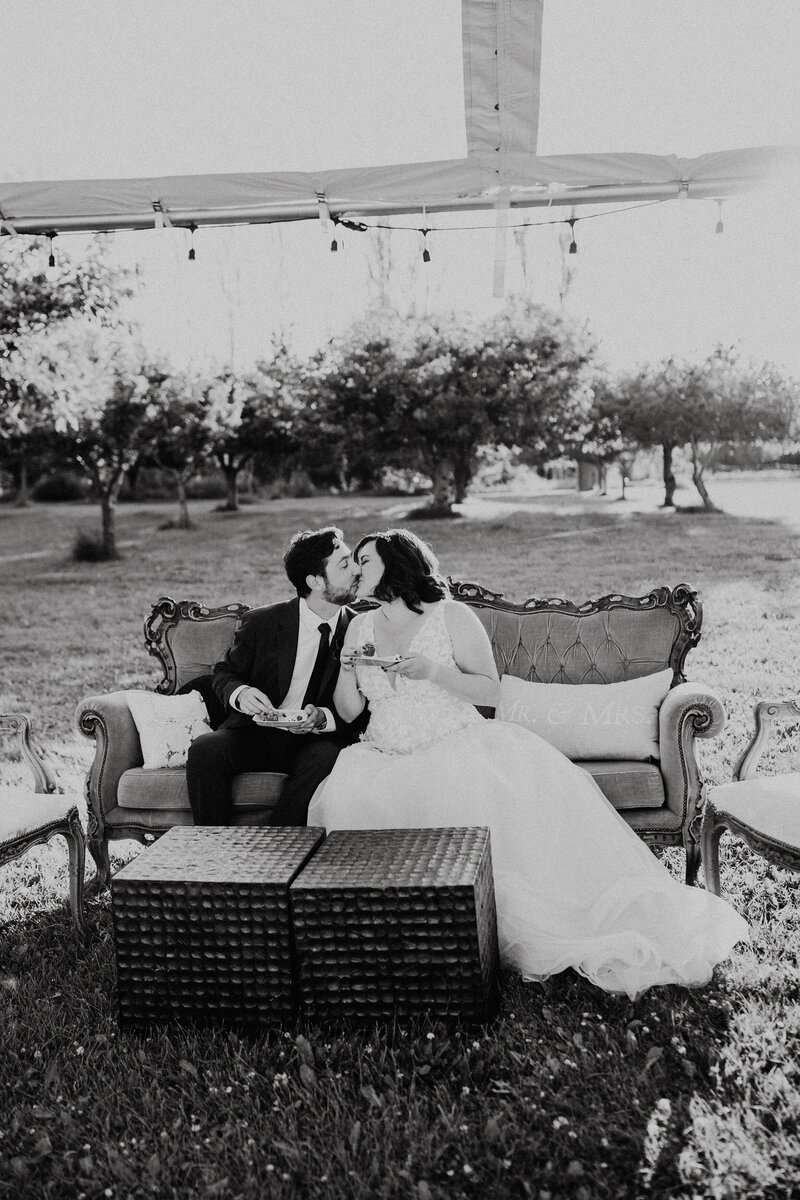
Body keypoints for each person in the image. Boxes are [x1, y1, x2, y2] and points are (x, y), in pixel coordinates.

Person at [308, 528, 749, 999]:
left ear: (396, 565)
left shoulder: (450, 616)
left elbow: (493, 691)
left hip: (453, 745)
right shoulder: (358, 626)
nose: (356, 569)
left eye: (366, 560)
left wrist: (432, 671)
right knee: (346, 797)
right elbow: (351, 712)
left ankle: (466, 933)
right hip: (382, 752)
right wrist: (350, 668)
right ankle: (398, 944)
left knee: (455, 798)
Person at [187, 525, 366, 827]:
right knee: (206, 750)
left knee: (327, 758)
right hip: (256, 733)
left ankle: (278, 848)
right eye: (345, 564)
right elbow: (224, 674)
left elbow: (363, 703)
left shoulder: (360, 629)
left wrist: (323, 717)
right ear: (316, 582)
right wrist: (241, 693)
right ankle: (210, 849)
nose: (357, 570)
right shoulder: (263, 622)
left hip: (316, 740)